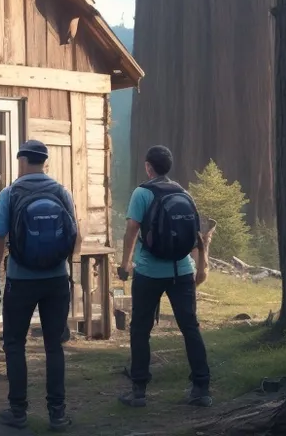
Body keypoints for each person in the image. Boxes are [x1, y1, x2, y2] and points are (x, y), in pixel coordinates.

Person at [0, 140, 79, 431]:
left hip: (21, 279)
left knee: (14, 344)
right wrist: (66, 263)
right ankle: (58, 413)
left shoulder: (10, 193)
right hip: (56, 280)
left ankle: (18, 411)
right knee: (54, 346)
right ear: (45, 162)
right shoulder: (61, 192)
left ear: (23, 161)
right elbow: (75, 235)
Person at [118, 145, 212, 409]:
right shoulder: (184, 193)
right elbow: (193, 236)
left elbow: (131, 231)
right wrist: (199, 266)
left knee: (140, 329)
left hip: (149, 271)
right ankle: (202, 388)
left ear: (148, 166)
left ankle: (138, 391)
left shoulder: (142, 193)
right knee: (190, 327)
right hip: (182, 271)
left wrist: (126, 264)